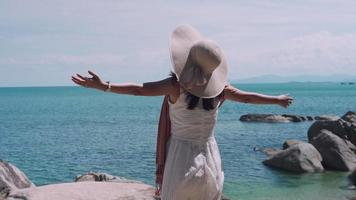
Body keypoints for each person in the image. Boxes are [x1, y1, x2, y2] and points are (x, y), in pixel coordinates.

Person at [71, 24, 293, 200]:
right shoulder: (220, 92)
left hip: (181, 158)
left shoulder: (175, 86)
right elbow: (247, 97)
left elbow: (139, 90)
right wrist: (277, 100)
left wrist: (105, 86)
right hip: (210, 158)